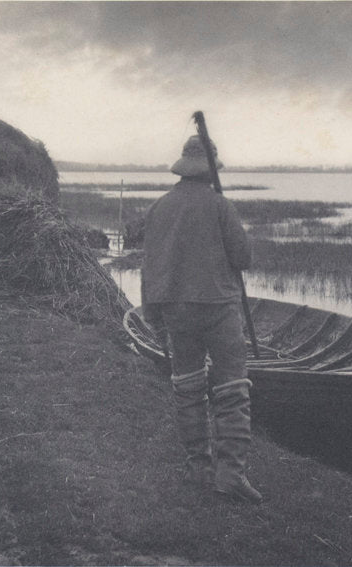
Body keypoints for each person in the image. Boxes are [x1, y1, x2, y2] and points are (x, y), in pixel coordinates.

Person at [140, 134, 262, 504]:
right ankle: (230, 476)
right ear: (210, 171)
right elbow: (243, 259)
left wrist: (153, 314)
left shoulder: (159, 208)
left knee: (188, 387)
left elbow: (150, 266)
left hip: (176, 310)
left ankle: (198, 468)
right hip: (219, 308)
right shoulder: (220, 205)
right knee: (232, 389)